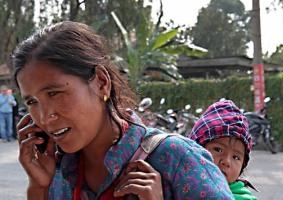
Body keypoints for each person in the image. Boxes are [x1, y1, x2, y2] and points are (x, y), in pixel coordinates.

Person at [11, 21, 234, 200]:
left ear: (100, 81)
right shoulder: (59, 173)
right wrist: (39, 187)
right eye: (32, 102)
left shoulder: (176, 159)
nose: (44, 117)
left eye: (54, 93)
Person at [189, 100, 258, 200]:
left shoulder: (241, 197)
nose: (226, 162)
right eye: (218, 150)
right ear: (196, 150)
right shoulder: (180, 183)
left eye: (236, 157)